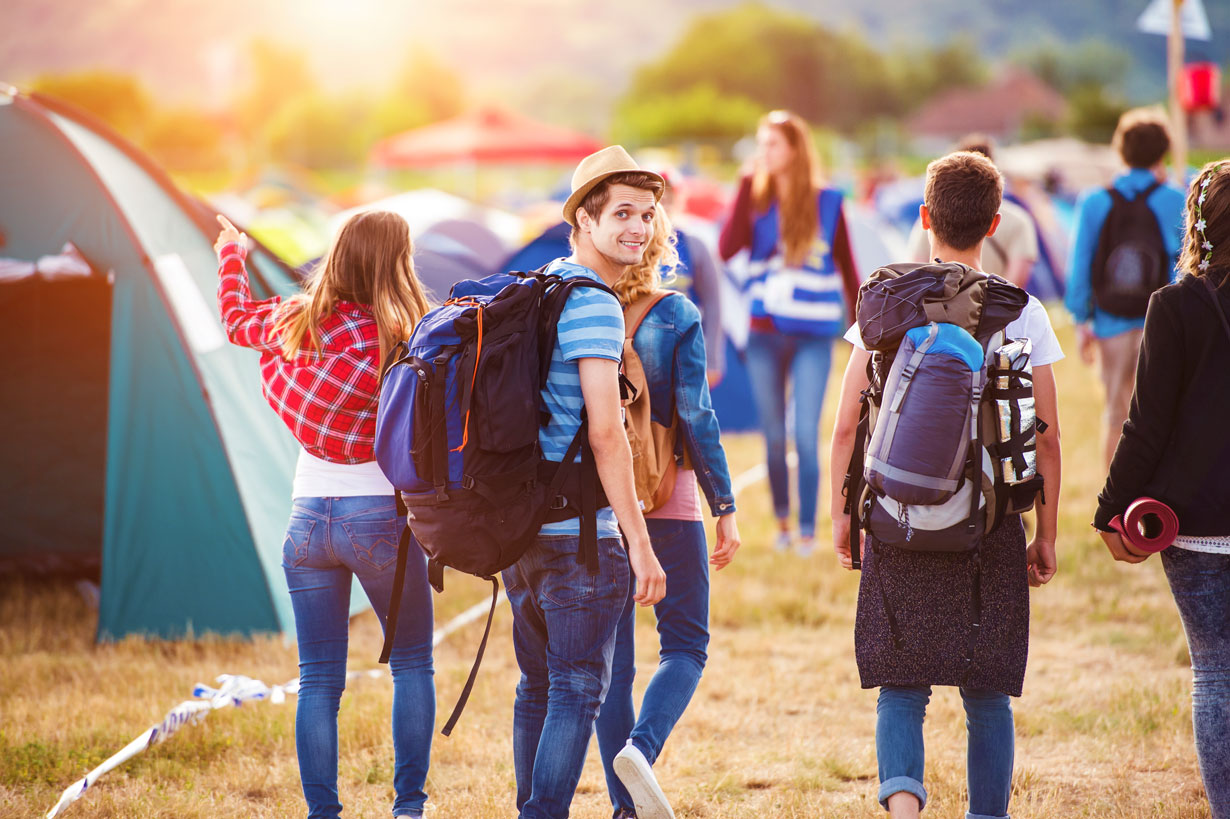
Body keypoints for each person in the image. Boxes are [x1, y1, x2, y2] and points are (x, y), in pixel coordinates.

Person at [828, 151, 1064, 819]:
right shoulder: (1023, 311)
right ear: (995, 223)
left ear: (924, 216)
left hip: (897, 514)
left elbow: (847, 423)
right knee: (986, 689)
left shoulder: (885, 303)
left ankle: (904, 810)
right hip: (988, 522)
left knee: (901, 687)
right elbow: (1046, 435)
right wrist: (1044, 532)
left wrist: (843, 516)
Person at [214, 210, 434, 819]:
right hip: (380, 517)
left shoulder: (297, 319)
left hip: (307, 518)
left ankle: (323, 813)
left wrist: (231, 253)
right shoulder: (407, 331)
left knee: (318, 680)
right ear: (399, 260)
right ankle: (408, 808)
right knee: (412, 662)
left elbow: (234, 321)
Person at [503, 145, 667, 819]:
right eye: (623, 213)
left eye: (649, 215)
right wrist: (640, 540)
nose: (640, 228)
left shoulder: (542, 283)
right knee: (575, 689)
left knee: (536, 688)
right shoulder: (594, 302)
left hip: (521, 528)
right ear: (584, 220)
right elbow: (607, 431)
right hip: (580, 537)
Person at [592, 211, 743, 819]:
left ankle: (624, 810)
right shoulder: (676, 314)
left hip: (601, 504)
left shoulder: (581, 309)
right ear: (661, 250)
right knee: (685, 645)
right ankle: (641, 750)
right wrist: (725, 507)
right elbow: (697, 417)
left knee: (614, 666)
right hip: (668, 499)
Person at [1094, 160, 1230, 819]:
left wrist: (1108, 510)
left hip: (1197, 523)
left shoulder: (1174, 305)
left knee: (1215, 674)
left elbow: (1145, 426)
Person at [718, 109, 860, 556]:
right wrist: (743, 186)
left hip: (814, 333)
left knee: (805, 434)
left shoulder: (829, 201)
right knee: (774, 435)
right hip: (764, 332)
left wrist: (866, 328)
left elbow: (849, 268)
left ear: (795, 149)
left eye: (772, 144)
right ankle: (781, 523)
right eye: (760, 144)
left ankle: (806, 531)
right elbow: (726, 248)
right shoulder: (756, 198)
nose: (764, 152)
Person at [1065, 107, 1186, 471]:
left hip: (1109, 320)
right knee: (1164, 416)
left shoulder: (1094, 200)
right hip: (1161, 323)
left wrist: (1081, 319)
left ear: (1121, 150)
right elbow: (1186, 263)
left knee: (1116, 416)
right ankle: (1156, 503)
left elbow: (1081, 263)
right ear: (1163, 152)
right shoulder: (1175, 198)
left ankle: (1114, 509)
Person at [905, 135, 1038, 288]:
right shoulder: (1018, 221)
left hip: (934, 306)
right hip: (995, 307)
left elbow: (918, 274)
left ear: (924, 216)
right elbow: (1016, 282)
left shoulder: (932, 217)